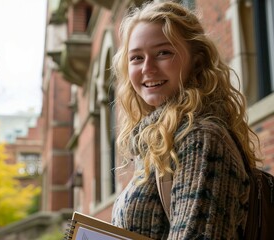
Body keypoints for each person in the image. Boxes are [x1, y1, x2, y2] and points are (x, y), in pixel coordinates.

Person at [111, 1, 261, 239]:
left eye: (163, 53)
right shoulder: (157, 141)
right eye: (136, 58)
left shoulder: (200, 138)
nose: (147, 68)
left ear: (197, 60)